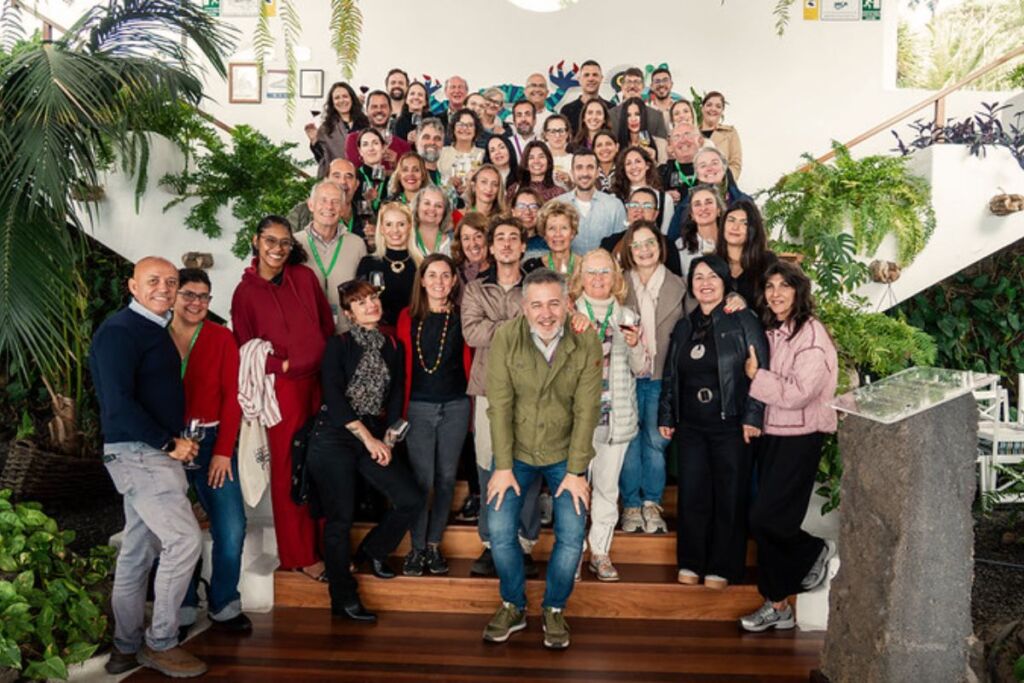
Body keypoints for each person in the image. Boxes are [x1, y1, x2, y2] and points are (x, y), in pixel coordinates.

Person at [91, 256, 205, 678]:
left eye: (171, 282)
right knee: (184, 541)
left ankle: (125, 646)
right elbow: (119, 404)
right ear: (132, 286)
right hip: (140, 453)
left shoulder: (151, 330)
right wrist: (167, 442)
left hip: (148, 452)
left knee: (139, 551)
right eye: (153, 280)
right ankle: (160, 643)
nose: (164, 288)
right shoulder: (120, 332)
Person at [482, 267, 602, 650]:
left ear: (568, 303)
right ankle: (513, 605)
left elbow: (587, 409)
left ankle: (554, 609)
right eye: (536, 305)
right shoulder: (505, 337)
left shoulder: (586, 340)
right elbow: (498, 406)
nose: (546, 313)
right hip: (515, 450)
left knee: (571, 533)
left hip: (566, 452)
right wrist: (501, 467)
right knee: (499, 529)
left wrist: (576, 470)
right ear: (523, 306)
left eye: (554, 303)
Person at [306, 279, 422, 622]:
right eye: (360, 302)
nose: (370, 304)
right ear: (348, 314)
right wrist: (367, 440)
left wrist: (388, 438)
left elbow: (398, 393)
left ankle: (373, 550)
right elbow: (334, 396)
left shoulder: (392, 344)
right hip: (335, 435)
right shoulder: (338, 345)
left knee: (410, 498)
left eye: (372, 298)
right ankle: (342, 598)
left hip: (374, 431)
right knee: (340, 519)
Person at [232, 217, 334, 581]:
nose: (277, 248)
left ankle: (328, 547)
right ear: (255, 241)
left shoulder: (304, 278)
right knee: (291, 471)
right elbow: (244, 347)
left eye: (285, 242)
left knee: (322, 465)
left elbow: (325, 325)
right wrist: (283, 363)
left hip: (318, 384)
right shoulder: (245, 293)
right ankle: (300, 555)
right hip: (281, 391)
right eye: (270, 241)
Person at [658, 255, 768, 590]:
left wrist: (753, 416)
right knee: (693, 496)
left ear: (724, 282)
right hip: (691, 426)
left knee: (729, 496)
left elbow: (760, 371)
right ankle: (691, 562)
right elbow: (670, 374)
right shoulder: (684, 325)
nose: (705, 283)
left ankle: (723, 566)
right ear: (691, 284)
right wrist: (667, 414)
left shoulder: (743, 319)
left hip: (730, 424)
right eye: (698, 277)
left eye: (712, 277)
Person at [740, 261, 839, 632]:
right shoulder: (776, 331)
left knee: (767, 519)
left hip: (801, 437)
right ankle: (777, 605)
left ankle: (814, 550)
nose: (776, 293)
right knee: (769, 522)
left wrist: (756, 377)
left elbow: (797, 394)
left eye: (785, 286)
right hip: (773, 433)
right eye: (770, 286)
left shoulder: (811, 337)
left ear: (799, 291)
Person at [171, 269, 251, 641]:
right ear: (173, 295)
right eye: (189, 294)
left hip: (211, 439)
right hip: (166, 446)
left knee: (231, 527)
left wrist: (223, 452)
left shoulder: (221, 338)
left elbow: (233, 399)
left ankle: (223, 603)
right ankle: (183, 603)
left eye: (204, 296)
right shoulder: (154, 337)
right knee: (171, 530)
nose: (197, 303)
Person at [462, 216, 544, 578]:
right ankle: (492, 544)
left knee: (526, 467)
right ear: (491, 248)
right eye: (501, 239)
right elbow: (472, 333)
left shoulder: (538, 287)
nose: (508, 244)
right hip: (487, 391)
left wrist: (516, 327)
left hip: (532, 390)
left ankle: (523, 544)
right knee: (488, 468)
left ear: (524, 246)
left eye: (514, 238)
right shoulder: (476, 289)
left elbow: (547, 328)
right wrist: (519, 326)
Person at [567, 250, 646, 582]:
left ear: (616, 278)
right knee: (572, 490)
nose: (598, 279)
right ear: (580, 277)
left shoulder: (628, 315)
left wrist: (636, 344)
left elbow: (641, 369)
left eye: (604, 273)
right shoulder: (568, 314)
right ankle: (571, 555)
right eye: (591, 272)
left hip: (615, 418)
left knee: (606, 490)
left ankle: (599, 552)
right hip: (575, 422)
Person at [397, 255, 473, 576]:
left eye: (446, 276)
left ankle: (433, 546)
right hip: (418, 407)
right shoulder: (407, 317)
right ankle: (416, 548)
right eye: (432, 275)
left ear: (455, 281)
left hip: (456, 405)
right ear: (422, 280)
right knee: (421, 480)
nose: (439, 282)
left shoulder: (463, 316)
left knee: (445, 480)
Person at [618, 222, 687, 535]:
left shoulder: (679, 285)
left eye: (650, 243)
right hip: (626, 376)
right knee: (629, 442)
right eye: (637, 244)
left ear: (661, 247)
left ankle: (652, 503)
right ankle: (631, 504)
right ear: (629, 251)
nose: (644, 250)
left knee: (655, 443)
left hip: (662, 377)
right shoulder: (618, 285)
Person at [293, 180, 368, 329]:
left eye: (335, 202)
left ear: (342, 209)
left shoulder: (357, 244)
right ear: (311, 205)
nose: (329, 206)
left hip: (347, 334)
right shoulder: (294, 243)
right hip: (307, 333)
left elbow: (363, 292)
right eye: (323, 200)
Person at [356, 202, 420, 333]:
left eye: (401, 224)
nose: (395, 230)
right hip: (379, 335)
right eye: (389, 224)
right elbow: (358, 305)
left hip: (415, 334)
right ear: (382, 229)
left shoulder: (422, 264)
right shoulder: (368, 263)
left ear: (409, 227)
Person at [600, 187, 683, 276]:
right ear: (627, 211)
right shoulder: (610, 242)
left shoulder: (667, 246)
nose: (639, 210)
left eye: (647, 206)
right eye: (634, 205)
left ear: (655, 214)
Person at [556, 150, 627, 254]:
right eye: (579, 167)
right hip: (567, 270)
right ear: (572, 172)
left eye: (590, 167)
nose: (585, 173)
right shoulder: (557, 205)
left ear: (597, 172)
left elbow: (620, 248)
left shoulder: (615, 206)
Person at [715, 198, 777, 307]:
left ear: (753, 230)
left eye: (744, 223)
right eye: (731, 220)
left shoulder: (767, 262)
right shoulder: (712, 262)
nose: (735, 227)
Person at [287, 158, 365, 243]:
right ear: (326, 180)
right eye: (336, 176)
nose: (343, 181)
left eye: (349, 177)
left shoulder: (367, 214)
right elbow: (285, 243)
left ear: (357, 184)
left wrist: (372, 244)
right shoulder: (301, 212)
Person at [306, 82, 368, 178]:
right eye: (337, 98)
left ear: (352, 98)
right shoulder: (326, 128)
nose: (342, 100)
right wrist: (314, 141)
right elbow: (323, 159)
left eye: (345, 96)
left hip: (364, 178)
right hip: (338, 180)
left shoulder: (366, 123)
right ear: (332, 103)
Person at [612, 146, 674, 234]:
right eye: (628, 163)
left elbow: (665, 234)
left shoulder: (665, 199)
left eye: (638, 161)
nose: (634, 167)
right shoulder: (615, 198)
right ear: (623, 169)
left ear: (647, 165)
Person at [345, 89, 411, 170]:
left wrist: (396, 164)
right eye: (374, 107)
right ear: (367, 111)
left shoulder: (404, 146)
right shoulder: (353, 140)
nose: (379, 110)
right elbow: (353, 173)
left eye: (383, 106)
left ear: (390, 110)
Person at [672, 183, 726, 280]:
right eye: (697, 204)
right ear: (691, 214)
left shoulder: (731, 241)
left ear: (718, 210)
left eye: (708, 202)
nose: (703, 208)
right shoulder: (680, 246)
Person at [523, 200, 579, 276]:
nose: (558, 234)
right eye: (552, 228)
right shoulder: (532, 267)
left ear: (572, 233)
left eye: (564, 228)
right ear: (544, 234)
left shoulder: (586, 266)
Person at [609, 67, 668, 139]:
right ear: (622, 86)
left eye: (637, 82)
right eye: (628, 82)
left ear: (643, 87)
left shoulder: (656, 116)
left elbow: (662, 145)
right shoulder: (610, 115)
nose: (632, 86)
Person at [560, 59, 612, 137]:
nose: (591, 79)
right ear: (579, 79)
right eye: (586, 75)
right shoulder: (567, 111)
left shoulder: (611, 109)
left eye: (595, 75)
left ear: (601, 78)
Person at [700, 91, 742, 179]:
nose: (713, 109)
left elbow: (735, 164)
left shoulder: (730, 133)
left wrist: (723, 180)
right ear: (702, 108)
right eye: (709, 105)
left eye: (718, 106)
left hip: (722, 187)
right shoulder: (693, 134)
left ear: (722, 111)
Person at [659, 124, 702, 207]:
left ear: (699, 141)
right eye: (676, 137)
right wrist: (664, 197)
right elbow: (650, 200)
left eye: (687, 134)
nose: (682, 140)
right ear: (671, 146)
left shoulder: (713, 168)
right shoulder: (662, 172)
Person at [506, 140, 563, 205]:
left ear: (549, 162)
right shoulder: (514, 189)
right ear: (526, 164)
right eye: (531, 158)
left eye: (541, 157)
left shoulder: (559, 193)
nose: (536, 161)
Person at [615, 97, 668, 164]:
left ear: (643, 116)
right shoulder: (617, 146)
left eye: (637, 114)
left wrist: (653, 161)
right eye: (628, 115)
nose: (633, 119)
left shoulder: (659, 144)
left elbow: (662, 172)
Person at [438, 108, 485, 182]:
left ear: (476, 130)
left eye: (470, 125)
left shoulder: (483, 155)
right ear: (453, 128)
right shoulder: (441, 153)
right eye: (461, 124)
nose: (465, 128)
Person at [353, 128, 391, 219]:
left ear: (383, 148)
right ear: (360, 151)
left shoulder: (392, 178)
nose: (371, 148)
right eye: (365, 144)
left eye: (375, 143)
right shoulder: (354, 178)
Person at [409, 185, 453, 258]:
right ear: (417, 207)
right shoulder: (406, 238)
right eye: (427, 203)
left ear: (445, 211)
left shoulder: (453, 241)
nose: (432, 209)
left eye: (438, 206)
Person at [452, 211, 491, 285]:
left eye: (478, 236)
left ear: (488, 238)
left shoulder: (500, 270)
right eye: (466, 238)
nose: (473, 244)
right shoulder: (453, 273)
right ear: (460, 243)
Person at [510, 187, 545, 261]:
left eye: (533, 207)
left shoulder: (548, 242)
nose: (527, 212)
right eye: (521, 206)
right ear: (513, 211)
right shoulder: (504, 241)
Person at [542, 114, 574, 188]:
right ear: (545, 134)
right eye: (553, 131)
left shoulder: (575, 160)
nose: (557, 135)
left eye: (561, 131)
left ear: (567, 134)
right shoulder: (539, 160)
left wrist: (569, 182)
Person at [415, 117, 446, 187]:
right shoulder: (407, 177)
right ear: (416, 141)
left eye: (437, 139)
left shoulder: (444, 182)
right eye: (426, 137)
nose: (432, 142)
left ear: (442, 143)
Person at [647, 66, 675, 131]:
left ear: (671, 84)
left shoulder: (679, 109)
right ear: (651, 86)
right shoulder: (645, 110)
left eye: (665, 80)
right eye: (657, 81)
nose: (661, 84)